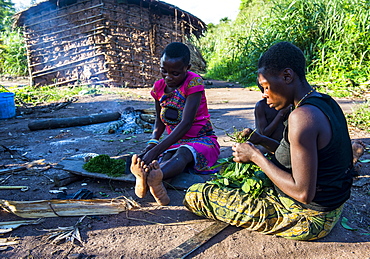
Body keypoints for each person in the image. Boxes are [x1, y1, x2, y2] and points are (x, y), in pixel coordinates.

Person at [184, 41, 354, 240]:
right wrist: (260, 140)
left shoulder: (301, 117)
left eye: (265, 87)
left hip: (311, 218)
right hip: (333, 204)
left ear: (287, 76)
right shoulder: (324, 102)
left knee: (196, 194)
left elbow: (303, 193)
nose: (264, 96)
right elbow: (295, 155)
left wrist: (256, 156)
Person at [130, 42, 220, 206]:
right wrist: (152, 143)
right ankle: (152, 179)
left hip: (202, 139)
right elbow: (159, 121)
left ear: (187, 68)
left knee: (183, 154)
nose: (168, 77)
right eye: (164, 71)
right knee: (165, 159)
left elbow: (186, 123)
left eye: (175, 73)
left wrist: (156, 150)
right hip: (175, 141)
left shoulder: (194, 83)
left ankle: (153, 177)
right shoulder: (159, 87)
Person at [253, 81, 291, 153]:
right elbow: (264, 133)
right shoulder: (261, 106)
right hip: (269, 145)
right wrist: (281, 114)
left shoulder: (289, 103)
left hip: (285, 144)